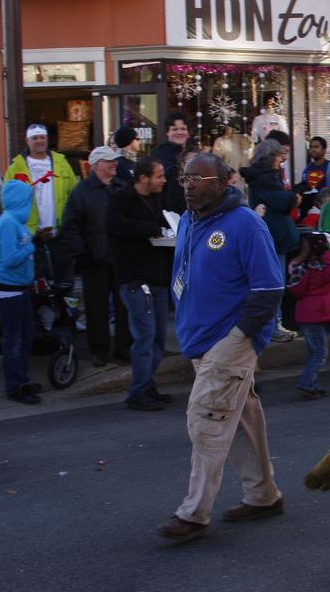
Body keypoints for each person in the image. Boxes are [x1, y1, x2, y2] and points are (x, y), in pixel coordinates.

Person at [157, 152, 285, 542]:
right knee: (242, 417)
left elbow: (269, 288)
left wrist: (242, 335)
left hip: (229, 340)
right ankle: (263, 495)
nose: (190, 185)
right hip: (199, 338)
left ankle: (193, 513)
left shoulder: (246, 224)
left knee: (207, 418)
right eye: (185, 178)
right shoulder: (189, 223)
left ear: (223, 181)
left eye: (199, 178)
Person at [107, 157, 174, 411]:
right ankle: (138, 392)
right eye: (159, 176)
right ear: (144, 178)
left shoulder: (156, 198)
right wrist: (150, 229)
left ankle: (146, 384)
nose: (163, 181)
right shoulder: (121, 199)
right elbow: (115, 226)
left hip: (157, 277)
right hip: (135, 279)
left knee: (157, 338)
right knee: (144, 336)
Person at [60, 146, 132, 367]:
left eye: (114, 160)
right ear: (96, 165)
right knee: (96, 309)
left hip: (120, 258)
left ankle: (123, 350)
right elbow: (70, 225)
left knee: (124, 306)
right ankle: (99, 351)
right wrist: (81, 253)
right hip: (94, 259)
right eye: (108, 161)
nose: (114, 164)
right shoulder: (81, 192)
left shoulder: (122, 187)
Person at [239, 138, 300, 343]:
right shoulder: (265, 179)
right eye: (278, 155)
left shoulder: (262, 177)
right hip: (273, 237)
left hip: (273, 236)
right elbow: (283, 201)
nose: (281, 160)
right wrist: (293, 198)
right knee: (275, 283)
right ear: (270, 157)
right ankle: (274, 325)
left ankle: (275, 324)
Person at [4, 123, 78, 286]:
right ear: (27, 141)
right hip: (30, 236)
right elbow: (7, 201)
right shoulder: (16, 166)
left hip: (58, 233)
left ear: (47, 139)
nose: (39, 141)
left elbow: (74, 196)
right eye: (34, 138)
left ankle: (65, 310)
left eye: (42, 137)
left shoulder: (61, 163)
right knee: (36, 284)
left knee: (64, 282)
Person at [0, 180, 43, 404]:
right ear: (20, 200)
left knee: (26, 335)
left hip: (18, 287)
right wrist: (31, 246)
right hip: (8, 289)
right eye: (29, 200)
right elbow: (10, 259)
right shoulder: (8, 222)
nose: (31, 205)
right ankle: (15, 387)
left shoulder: (14, 221)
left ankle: (22, 379)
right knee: (15, 339)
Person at [287, 231, 330, 399]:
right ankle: (307, 383)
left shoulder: (300, 266)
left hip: (304, 315)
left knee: (314, 352)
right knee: (320, 352)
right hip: (314, 316)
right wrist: (329, 253)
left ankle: (312, 383)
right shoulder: (319, 268)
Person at [151, 111, 194, 213]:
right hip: (169, 209)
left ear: (188, 132)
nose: (179, 132)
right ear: (167, 132)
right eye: (174, 129)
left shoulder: (193, 151)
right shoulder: (159, 153)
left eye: (183, 129)